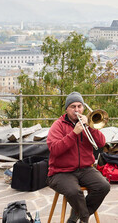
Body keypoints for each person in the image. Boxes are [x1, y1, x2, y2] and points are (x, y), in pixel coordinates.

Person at [47, 92, 110, 223]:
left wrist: (90, 128)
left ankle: (76, 214)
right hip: (61, 172)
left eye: (79, 106)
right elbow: (54, 149)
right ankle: (84, 218)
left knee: (104, 186)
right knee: (74, 192)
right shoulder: (58, 125)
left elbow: (101, 143)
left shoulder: (87, 124)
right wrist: (74, 133)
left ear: (83, 108)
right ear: (66, 109)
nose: (76, 110)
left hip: (85, 169)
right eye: (73, 106)